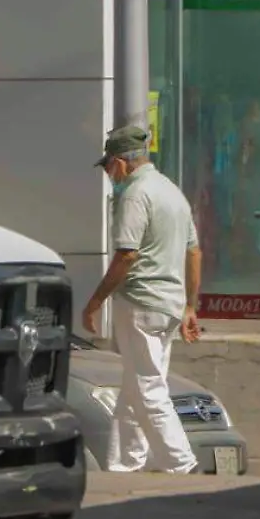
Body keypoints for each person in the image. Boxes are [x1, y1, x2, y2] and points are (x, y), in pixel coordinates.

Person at [81, 124, 205, 475]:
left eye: (108, 168)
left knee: (149, 388)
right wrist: (190, 306)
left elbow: (126, 256)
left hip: (141, 303)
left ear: (120, 163)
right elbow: (194, 252)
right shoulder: (172, 192)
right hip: (168, 305)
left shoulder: (135, 194)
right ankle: (124, 464)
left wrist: (95, 302)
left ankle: (182, 465)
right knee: (135, 386)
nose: (108, 175)